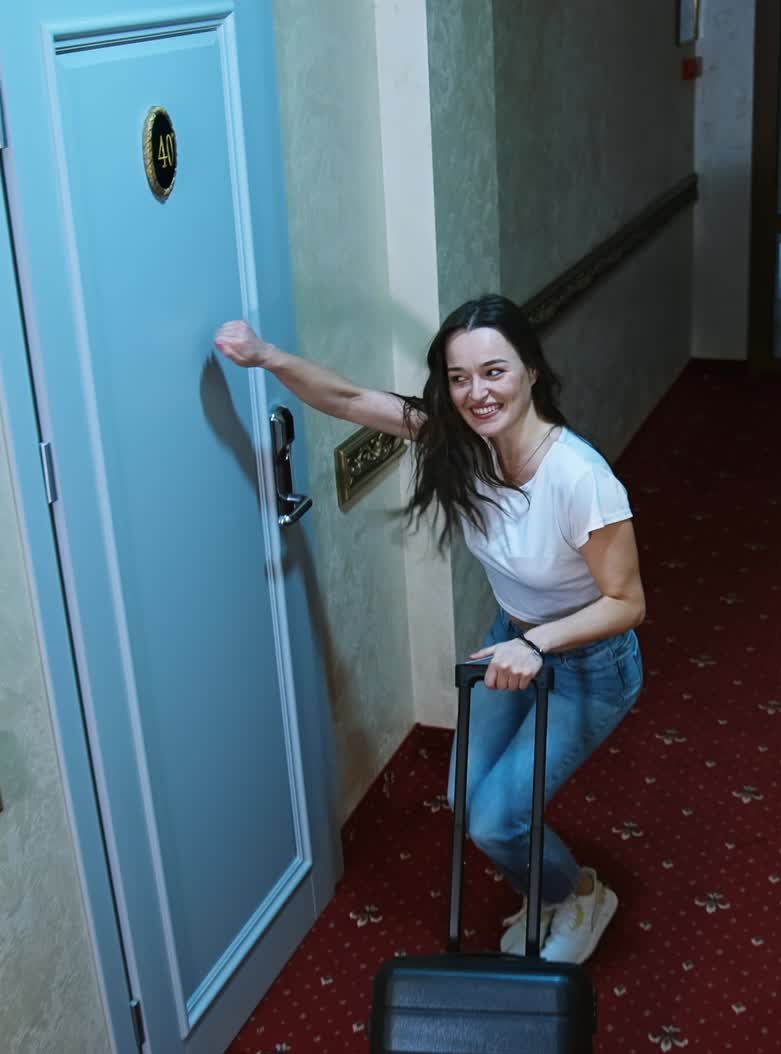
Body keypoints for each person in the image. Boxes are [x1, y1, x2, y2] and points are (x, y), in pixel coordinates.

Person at [214, 295, 644, 964]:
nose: (477, 393)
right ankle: (544, 879)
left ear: (530, 370)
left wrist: (538, 644)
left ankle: (579, 893)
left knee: (498, 819)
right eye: (459, 377)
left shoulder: (581, 479)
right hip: (515, 639)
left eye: (495, 371)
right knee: (464, 800)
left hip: (588, 663)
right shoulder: (460, 444)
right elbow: (351, 398)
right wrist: (266, 355)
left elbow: (626, 602)